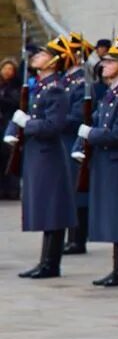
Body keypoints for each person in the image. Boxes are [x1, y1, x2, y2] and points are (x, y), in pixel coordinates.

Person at [3, 37, 78, 278]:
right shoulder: (43, 86)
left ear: (55, 61)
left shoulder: (54, 88)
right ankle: (45, 261)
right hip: (39, 153)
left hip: (49, 155)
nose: (37, 56)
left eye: (44, 54)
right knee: (47, 208)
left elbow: (53, 125)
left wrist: (28, 124)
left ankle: (50, 263)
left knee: (53, 209)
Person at [75, 37, 118, 287]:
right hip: (110, 160)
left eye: (110, 62)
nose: (104, 65)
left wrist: (90, 135)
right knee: (116, 216)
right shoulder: (113, 94)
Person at [61, 33, 93, 255]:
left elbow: (76, 116)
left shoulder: (81, 83)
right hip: (62, 141)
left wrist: (53, 122)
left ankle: (77, 238)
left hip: (72, 140)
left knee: (77, 192)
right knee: (67, 192)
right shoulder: (66, 80)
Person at [0, 57, 21, 200]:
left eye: (10, 69)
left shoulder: (15, 87)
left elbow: (15, 102)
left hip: (8, 123)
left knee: (9, 157)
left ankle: (11, 190)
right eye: (5, 68)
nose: (7, 71)